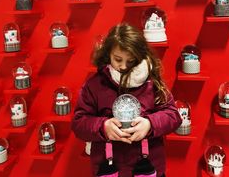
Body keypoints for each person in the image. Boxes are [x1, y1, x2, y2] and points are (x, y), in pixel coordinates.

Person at [72, 23, 181, 177]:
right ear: (108, 54)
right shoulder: (94, 85)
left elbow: (173, 115)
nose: (123, 66)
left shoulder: (152, 82)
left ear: (140, 56)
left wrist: (150, 124)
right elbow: (79, 123)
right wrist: (103, 127)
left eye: (131, 61)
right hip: (108, 168)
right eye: (118, 59)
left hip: (149, 166)